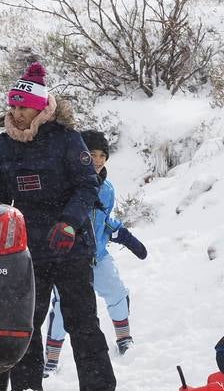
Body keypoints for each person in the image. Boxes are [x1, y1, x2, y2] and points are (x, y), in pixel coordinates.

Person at [0, 61, 115, 391]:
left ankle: (98, 390)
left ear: (40, 107)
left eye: (22, 106)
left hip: (70, 242)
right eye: (12, 105)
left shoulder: (68, 140)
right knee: (26, 319)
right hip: (25, 247)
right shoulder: (3, 145)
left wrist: (69, 221)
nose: (15, 112)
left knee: (81, 318)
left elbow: (87, 186)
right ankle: (27, 390)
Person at [44, 129, 148, 375]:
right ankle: (51, 360)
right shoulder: (66, 184)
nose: (98, 160)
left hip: (98, 255)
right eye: (92, 154)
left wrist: (123, 234)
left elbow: (103, 218)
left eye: (103, 155)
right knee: (62, 307)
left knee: (117, 292)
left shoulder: (108, 188)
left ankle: (124, 340)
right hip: (70, 257)